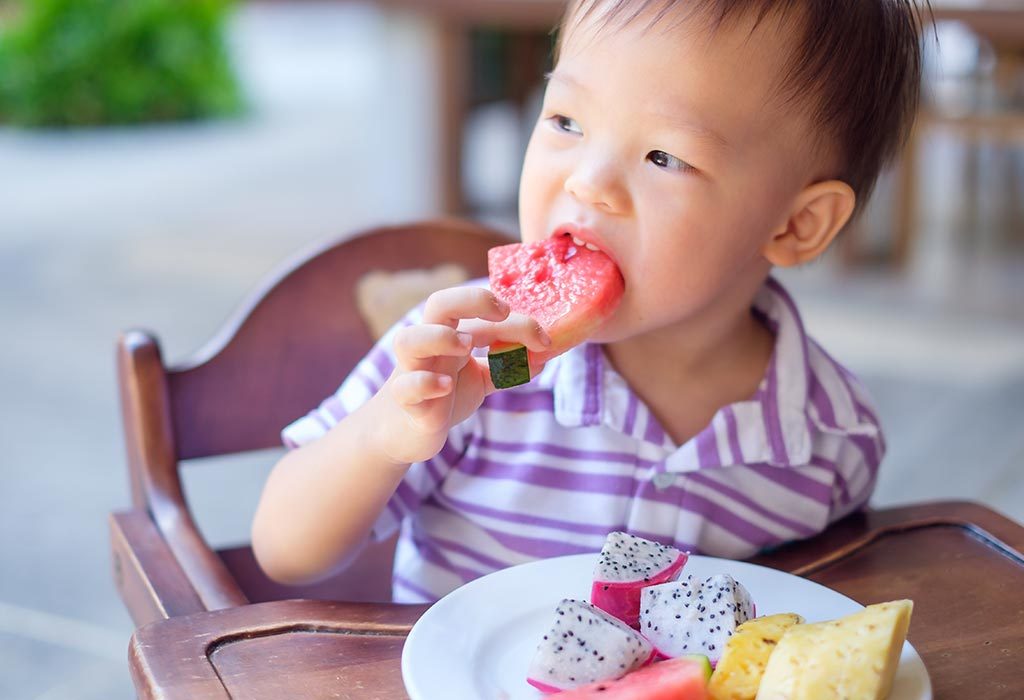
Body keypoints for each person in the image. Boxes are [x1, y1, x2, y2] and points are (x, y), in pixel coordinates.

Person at [252, 0, 926, 603]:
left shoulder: (829, 442)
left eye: (664, 157)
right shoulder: (479, 366)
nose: (589, 181)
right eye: (567, 121)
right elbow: (285, 549)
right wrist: (384, 435)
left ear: (794, 224)